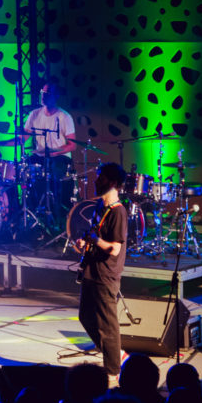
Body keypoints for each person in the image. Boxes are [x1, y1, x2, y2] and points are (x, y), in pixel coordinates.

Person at [73, 162, 128, 383]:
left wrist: (97, 241)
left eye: (101, 178)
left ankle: (113, 370)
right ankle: (116, 355)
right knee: (85, 317)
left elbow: (115, 248)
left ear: (112, 182)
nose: (96, 181)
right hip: (91, 269)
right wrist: (85, 243)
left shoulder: (119, 212)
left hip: (106, 274)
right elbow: (97, 237)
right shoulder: (99, 206)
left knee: (108, 326)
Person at [0, 82, 76, 209]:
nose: (43, 95)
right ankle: (24, 209)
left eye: (47, 93)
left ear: (56, 96)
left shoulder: (64, 117)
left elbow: (72, 145)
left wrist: (53, 152)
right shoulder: (34, 114)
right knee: (23, 168)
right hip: (40, 156)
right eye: (42, 92)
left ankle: (55, 208)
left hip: (60, 158)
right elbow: (21, 139)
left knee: (54, 171)